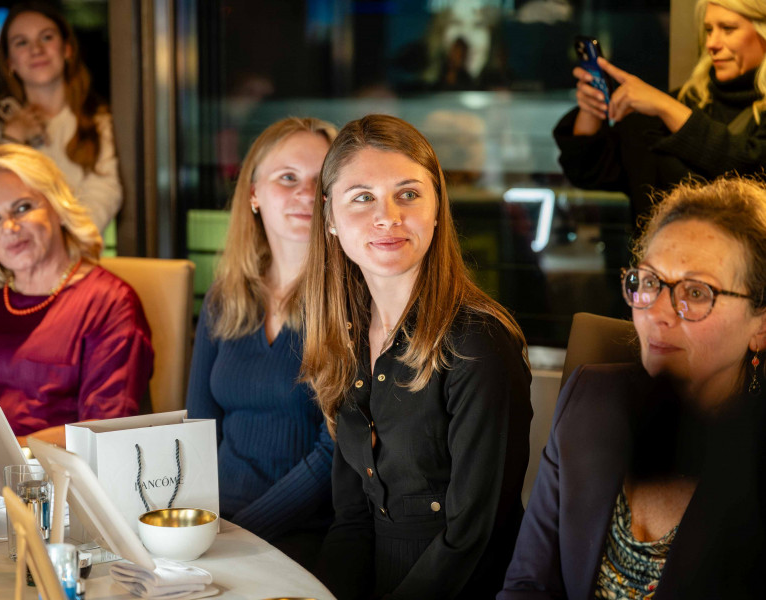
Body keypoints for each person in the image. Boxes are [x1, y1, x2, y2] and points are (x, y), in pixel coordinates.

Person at [499, 177, 766, 599]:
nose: (657, 312)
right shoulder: (589, 399)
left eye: (697, 292)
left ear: (761, 326)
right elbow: (527, 584)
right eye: (650, 282)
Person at [300, 114, 532, 599]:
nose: (388, 217)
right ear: (329, 217)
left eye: (408, 194)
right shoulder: (347, 336)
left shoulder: (479, 343)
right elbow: (352, 518)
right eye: (362, 197)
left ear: (437, 207)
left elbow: (472, 538)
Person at [0, 144, 153, 447]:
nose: (10, 227)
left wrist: (3, 457)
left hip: (59, 473)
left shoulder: (110, 303)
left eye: (23, 207)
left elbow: (103, 429)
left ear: (58, 208)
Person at [185, 117, 338, 569]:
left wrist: (240, 533)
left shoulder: (349, 304)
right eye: (287, 178)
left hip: (304, 535)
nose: (306, 193)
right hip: (214, 525)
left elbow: (333, 455)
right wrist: (192, 526)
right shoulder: (225, 296)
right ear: (254, 194)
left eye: (321, 182)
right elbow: (199, 428)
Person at [554, 0, 766, 222]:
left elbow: (752, 168)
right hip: (657, 245)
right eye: (709, 30)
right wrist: (592, 109)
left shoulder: (670, 108)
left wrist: (666, 107)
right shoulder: (686, 101)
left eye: (728, 29)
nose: (712, 43)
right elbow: (587, 170)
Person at [0, 1, 121, 233]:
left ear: (67, 49)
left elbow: (104, 193)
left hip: (77, 250)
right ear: (10, 62)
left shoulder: (99, 122)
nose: (36, 49)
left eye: (46, 37)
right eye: (21, 42)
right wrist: (11, 141)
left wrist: (61, 244)